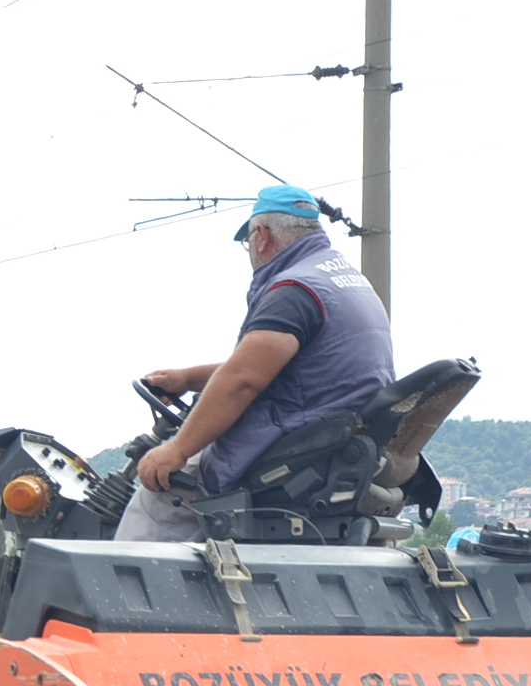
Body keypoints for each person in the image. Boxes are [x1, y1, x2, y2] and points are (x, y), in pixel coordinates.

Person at [117, 183, 395, 542]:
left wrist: (176, 449)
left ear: (261, 236)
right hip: (331, 444)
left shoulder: (294, 291)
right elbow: (271, 368)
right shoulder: (341, 281)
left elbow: (242, 382)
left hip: (295, 453)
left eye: (248, 243)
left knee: (158, 497)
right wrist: (185, 379)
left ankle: (110, 597)